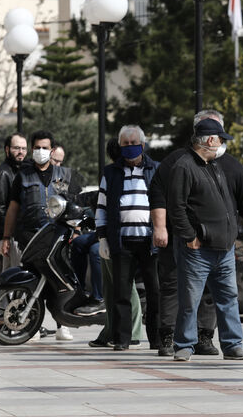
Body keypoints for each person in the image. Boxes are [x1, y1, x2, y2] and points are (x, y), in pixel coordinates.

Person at [149, 109, 243, 357]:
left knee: (228, 297)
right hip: (197, 248)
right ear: (210, 140)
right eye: (221, 138)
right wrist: (190, 236)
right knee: (190, 299)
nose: (222, 144)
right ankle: (184, 345)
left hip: (224, 247)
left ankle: (232, 344)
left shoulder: (217, 164)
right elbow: (176, 206)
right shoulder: (183, 166)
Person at [3, 130, 81, 342]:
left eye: (45, 148)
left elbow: (77, 206)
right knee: (32, 280)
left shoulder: (66, 175)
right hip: (30, 237)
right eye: (36, 147)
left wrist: (77, 230)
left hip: (58, 238)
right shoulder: (23, 176)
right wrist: (6, 237)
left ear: (52, 150)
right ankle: (32, 324)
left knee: (60, 281)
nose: (40, 151)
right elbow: (12, 209)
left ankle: (62, 325)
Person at [96, 125, 160, 351]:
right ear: (120, 145)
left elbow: (164, 205)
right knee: (121, 293)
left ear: (142, 145)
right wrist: (102, 238)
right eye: (125, 144)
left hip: (150, 242)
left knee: (155, 292)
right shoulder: (111, 172)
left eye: (134, 144)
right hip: (121, 242)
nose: (130, 148)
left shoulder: (155, 169)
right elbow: (102, 207)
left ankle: (157, 338)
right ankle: (122, 339)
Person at [88, 138, 144, 348]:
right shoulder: (113, 173)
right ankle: (114, 330)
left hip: (122, 238)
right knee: (113, 288)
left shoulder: (118, 173)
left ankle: (129, 330)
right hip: (112, 237)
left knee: (123, 288)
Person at [0, 132, 27, 271]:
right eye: (16, 148)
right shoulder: (2, 173)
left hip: (20, 237)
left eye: (24, 149)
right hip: (11, 238)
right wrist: (3, 237)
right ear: (7, 149)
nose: (20, 152)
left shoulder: (21, 172)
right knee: (13, 280)